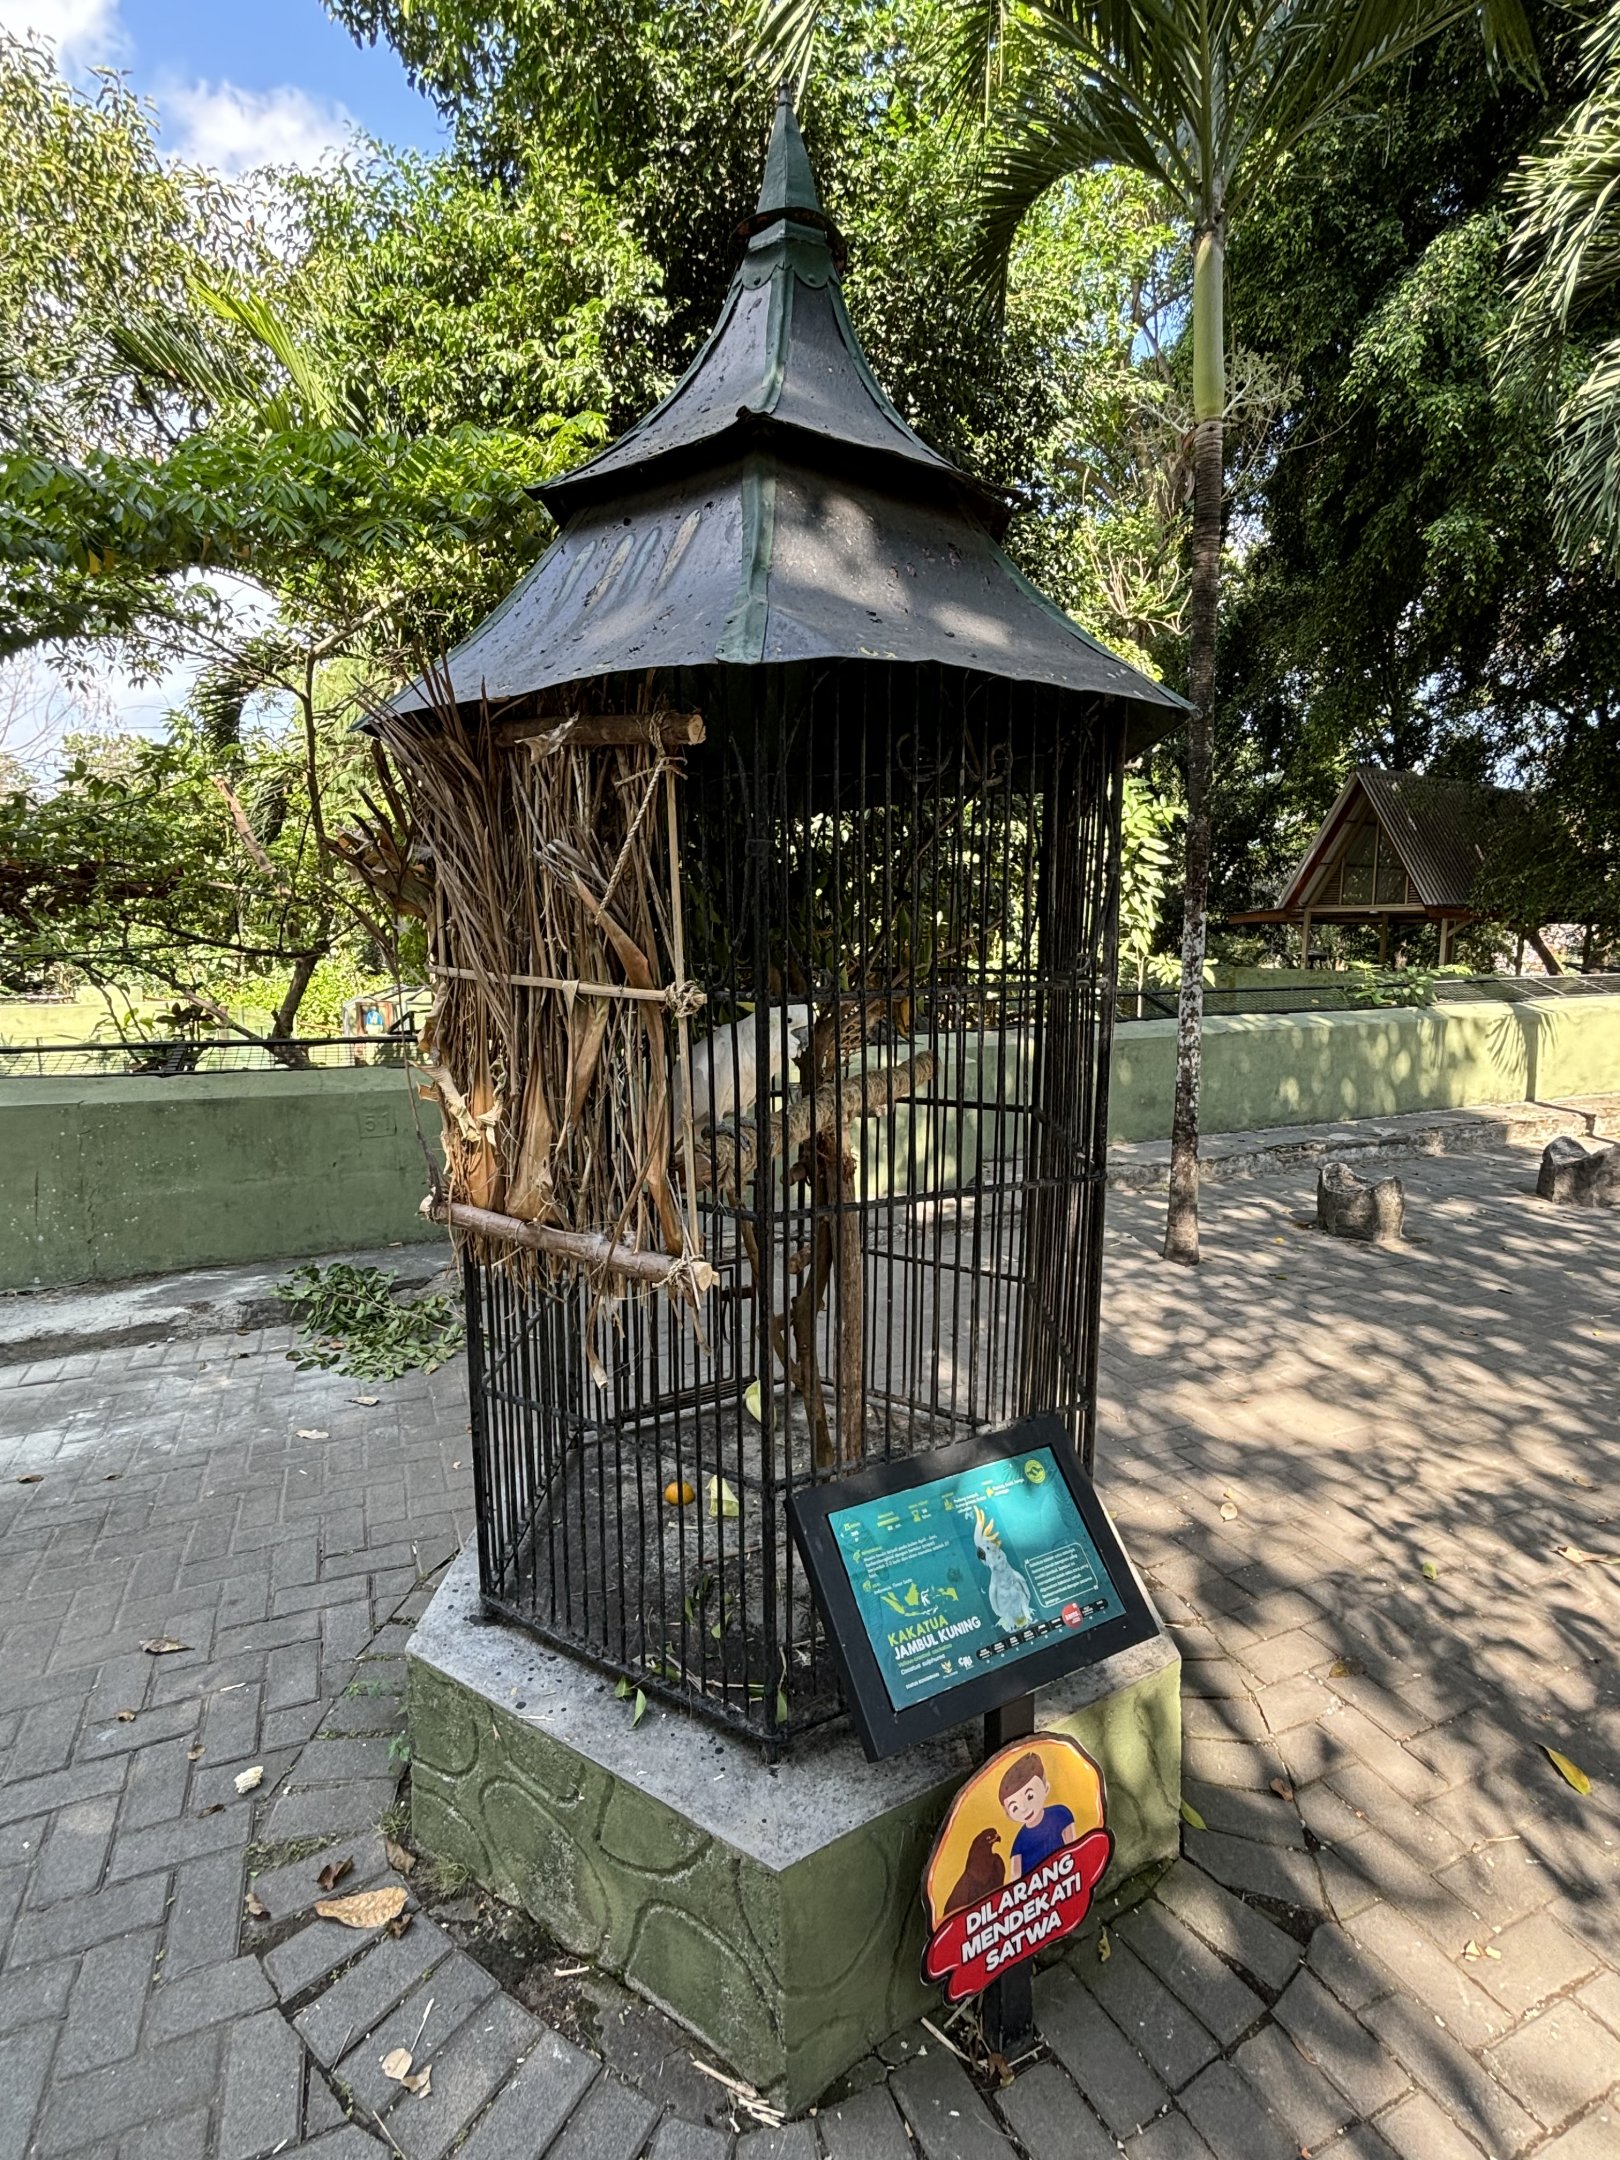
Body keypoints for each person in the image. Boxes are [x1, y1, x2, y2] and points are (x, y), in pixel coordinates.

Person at [999, 1749, 1078, 1880]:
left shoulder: (1061, 1814)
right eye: (1015, 1807)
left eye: (1030, 1796)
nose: (1024, 1808)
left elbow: (1074, 1848)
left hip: (1064, 1877)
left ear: (1046, 1788)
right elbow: (1015, 1876)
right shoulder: (1019, 1841)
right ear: (1008, 1815)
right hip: (1034, 1888)